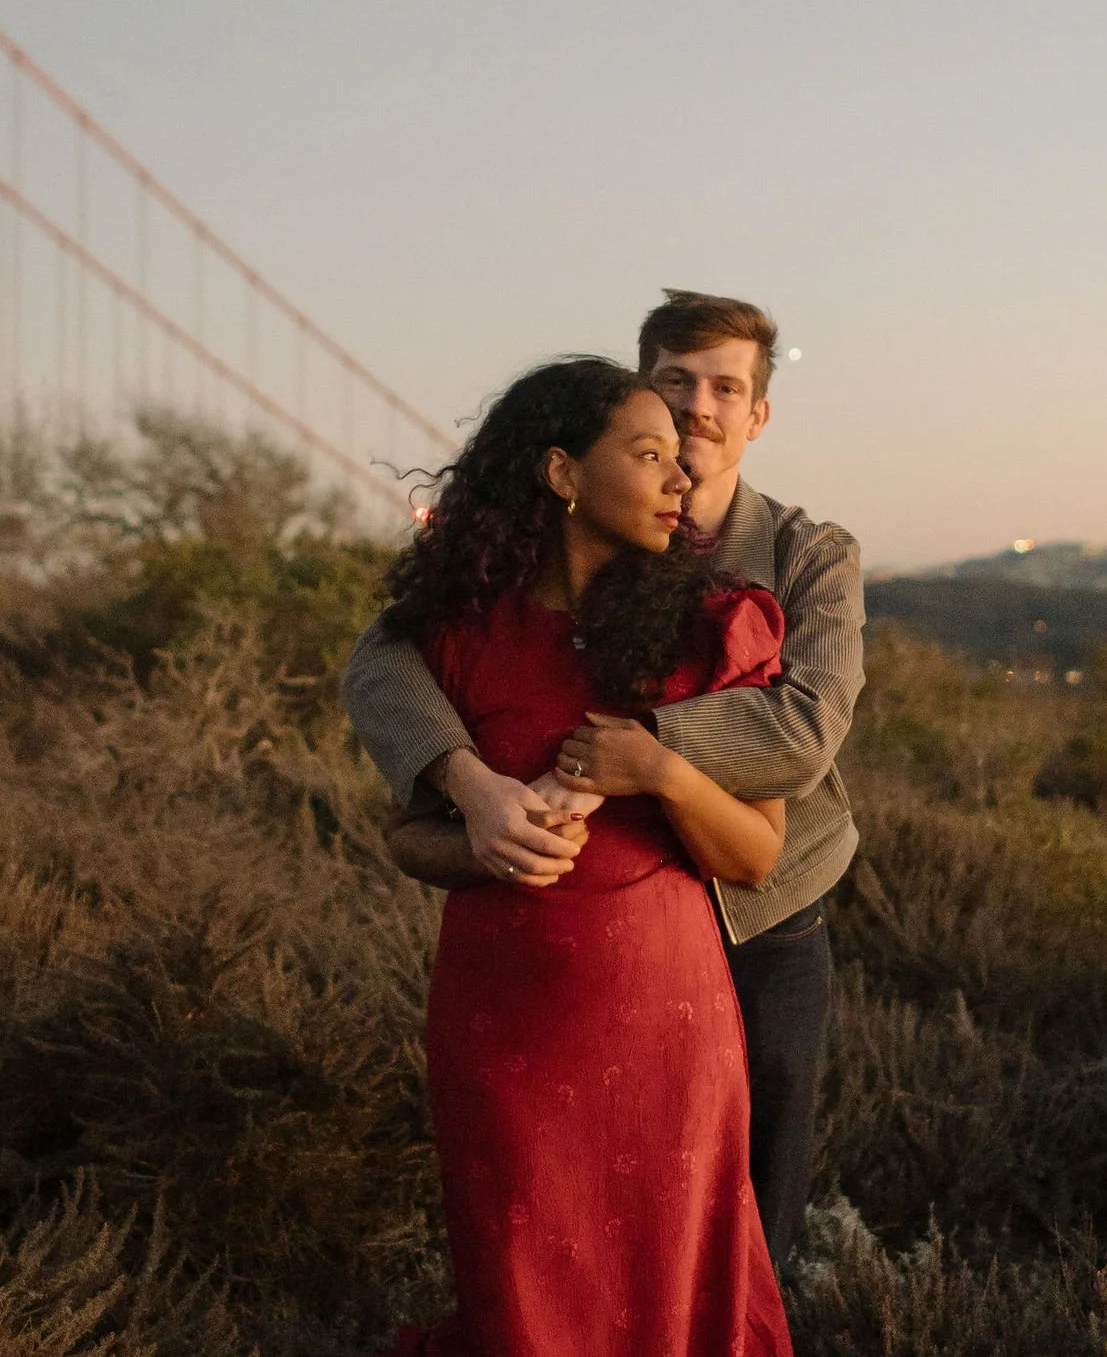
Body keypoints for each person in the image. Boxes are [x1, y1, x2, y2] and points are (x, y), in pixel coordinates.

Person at [364, 358, 896, 1357]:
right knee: (538, 1310)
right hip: (504, 1020)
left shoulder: (710, 621)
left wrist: (659, 761)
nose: (680, 476)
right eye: (649, 450)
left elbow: (747, 850)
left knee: (668, 1314)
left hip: (665, 1019)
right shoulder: (456, 634)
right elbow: (401, 836)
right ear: (555, 469)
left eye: (687, 452)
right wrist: (476, 830)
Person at [342, 291, 863, 1271]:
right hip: (568, 951)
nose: (698, 409)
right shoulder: (523, 567)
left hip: (762, 919)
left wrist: (628, 753)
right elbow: (382, 662)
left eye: (725, 389)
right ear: (640, 398)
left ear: (756, 416)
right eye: (675, 385)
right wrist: (471, 786)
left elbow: (799, 733)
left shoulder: (802, 557)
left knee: (745, 1219)